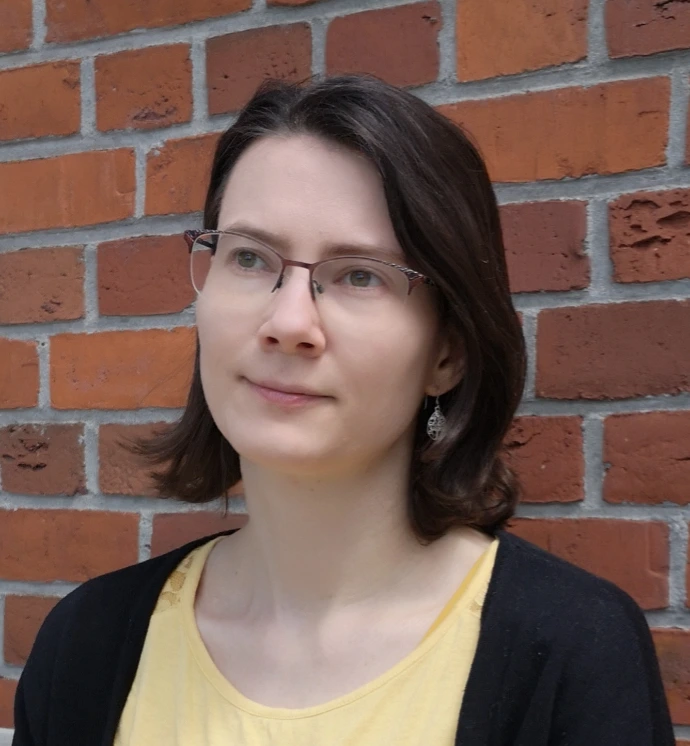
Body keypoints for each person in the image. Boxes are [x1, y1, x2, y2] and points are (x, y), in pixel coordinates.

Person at [13, 74, 674, 746]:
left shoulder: (572, 652)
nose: (288, 322)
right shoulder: (84, 646)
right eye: (250, 257)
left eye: (360, 274)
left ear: (448, 351)